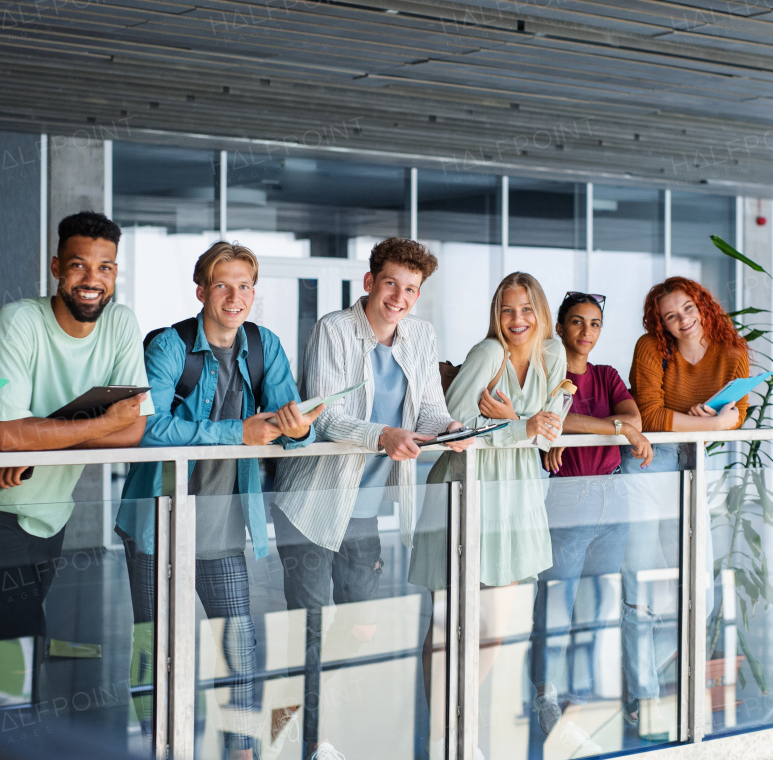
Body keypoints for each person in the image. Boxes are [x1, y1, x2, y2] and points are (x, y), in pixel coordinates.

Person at [116, 241, 320, 757]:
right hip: (158, 524)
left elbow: (290, 423)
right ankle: (156, 743)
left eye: (245, 285)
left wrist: (296, 432)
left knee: (240, 647)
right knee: (155, 645)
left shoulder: (263, 345)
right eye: (223, 285)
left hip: (225, 525)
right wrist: (237, 432)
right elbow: (146, 429)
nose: (235, 296)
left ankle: (243, 749)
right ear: (202, 290)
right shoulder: (169, 347)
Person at [272, 237, 470, 760]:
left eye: (411, 289)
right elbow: (330, 417)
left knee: (357, 628)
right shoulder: (334, 329)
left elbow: (428, 409)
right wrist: (384, 434)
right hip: (314, 506)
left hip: (367, 510)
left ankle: (303, 713)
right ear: (370, 282)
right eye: (390, 284)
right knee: (312, 630)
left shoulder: (421, 336)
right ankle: (316, 741)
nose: (399, 297)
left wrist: (450, 427)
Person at [0, 211, 153, 654]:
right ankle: (6, 719)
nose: (92, 278)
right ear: (57, 267)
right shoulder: (19, 319)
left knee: (19, 631)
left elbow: (134, 429)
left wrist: (38, 444)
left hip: (52, 509)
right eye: (78, 264)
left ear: (116, 273)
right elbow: (6, 436)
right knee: (14, 629)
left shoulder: (120, 324)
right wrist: (101, 423)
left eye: (105, 267)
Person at [412, 271, 567, 757]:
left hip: (517, 498)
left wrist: (510, 421)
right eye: (507, 310)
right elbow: (452, 433)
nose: (517, 320)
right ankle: (445, 736)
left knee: (496, 627)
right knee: (447, 622)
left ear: (540, 312)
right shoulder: (487, 355)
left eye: (526, 309)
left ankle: (457, 719)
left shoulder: (552, 355)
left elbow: (549, 429)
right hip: (468, 490)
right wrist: (518, 426)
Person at [620, 275, 749, 727]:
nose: (683, 321)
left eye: (688, 310)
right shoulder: (651, 349)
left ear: (702, 306)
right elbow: (650, 418)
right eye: (671, 317)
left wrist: (710, 425)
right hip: (646, 458)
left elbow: (739, 414)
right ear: (661, 323)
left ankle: (646, 670)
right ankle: (643, 695)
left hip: (693, 460)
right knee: (639, 586)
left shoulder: (732, 350)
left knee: (702, 589)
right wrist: (711, 425)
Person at [528, 292, 652, 749]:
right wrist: (618, 429)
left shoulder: (607, 375)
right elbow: (553, 419)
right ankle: (546, 695)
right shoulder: (547, 373)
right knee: (556, 605)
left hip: (612, 498)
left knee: (595, 607)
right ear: (559, 328)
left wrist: (591, 425)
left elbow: (631, 414)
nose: (586, 332)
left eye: (595, 324)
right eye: (577, 322)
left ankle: (577, 697)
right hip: (569, 498)